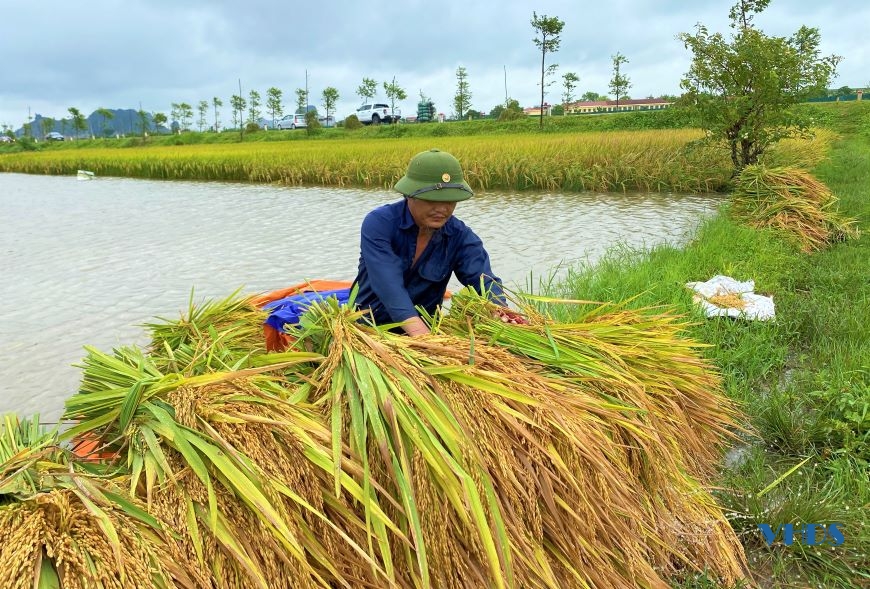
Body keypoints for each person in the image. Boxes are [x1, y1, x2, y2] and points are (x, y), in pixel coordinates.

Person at [352, 148, 526, 336]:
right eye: (431, 200)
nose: (442, 208)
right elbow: (389, 286)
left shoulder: (460, 236)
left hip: (426, 330)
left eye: (450, 201)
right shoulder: (380, 223)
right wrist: (424, 338)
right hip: (370, 329)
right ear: (410, 195)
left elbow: (484, 281)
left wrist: (502, 312)